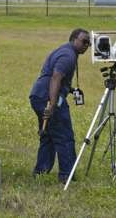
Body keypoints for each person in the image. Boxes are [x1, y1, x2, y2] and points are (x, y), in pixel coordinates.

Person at [29, 28, 91, 183]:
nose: (86, 45)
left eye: (89, 43)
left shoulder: (66, 51)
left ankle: (41, 171)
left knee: (48, 135)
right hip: (48, 98)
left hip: (38, 95)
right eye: (84, 41)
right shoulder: (68, 56)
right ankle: (67, 175)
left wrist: (70, 89)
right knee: (64, 136)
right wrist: (52, 104)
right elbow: (56, 77)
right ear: (74, 39)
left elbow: (55, 77)